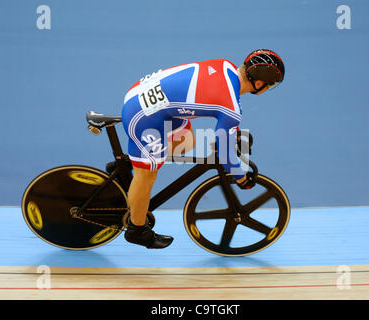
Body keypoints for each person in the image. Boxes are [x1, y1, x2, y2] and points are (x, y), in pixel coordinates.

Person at [120, 49, 285, 249]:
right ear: (259, 83)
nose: (269, 88)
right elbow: (225, 152)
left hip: (144, 96)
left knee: (187, 142)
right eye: (272, 85)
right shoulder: (231, 107)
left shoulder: (226, 66)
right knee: (148, 175)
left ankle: (136, 161)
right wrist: (241, 178)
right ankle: (137, 230)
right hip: (143, 115)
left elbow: (225, 115)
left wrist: (232, 134)